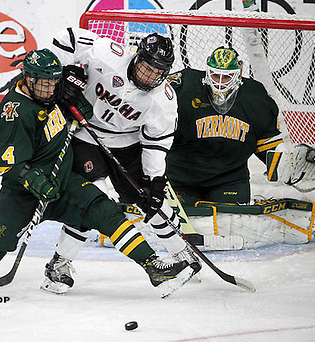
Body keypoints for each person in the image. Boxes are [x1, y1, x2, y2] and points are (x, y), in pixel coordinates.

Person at [0, 49, 194, 297]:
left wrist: (74, 100)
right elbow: (9, 167)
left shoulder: (51, 94)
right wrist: (37, 182)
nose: (49, 89)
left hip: (61, 184)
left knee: (105, 211)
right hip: (22, 196)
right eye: (43, 84)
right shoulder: (15, 113)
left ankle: (153, 264)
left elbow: (75, 108)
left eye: (53, 83)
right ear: (27, 80)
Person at [41, 28, 202, 294]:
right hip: (85, 135)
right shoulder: (107, 54)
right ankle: (60, 264)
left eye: (157, 72)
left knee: (151, 199)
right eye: (146, 67)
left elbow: (156, 143)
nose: (149, 76)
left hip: (128, 145)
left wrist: (155, 178)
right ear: (136, 57)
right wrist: (66, 72)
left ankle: (183, 253)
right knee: (93, 199)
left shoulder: (164, 100)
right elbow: (66, 38)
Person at [165, 46, 315, 248]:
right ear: (207, 71)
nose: (220, 83)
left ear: (239, 73)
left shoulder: (255, 97)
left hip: (228, 180)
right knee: (176, 223)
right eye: (215, 75)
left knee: (231, 226)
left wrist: (284, 164)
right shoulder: (183, 87)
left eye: (227, 77)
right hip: (181, 178)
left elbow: (266, 142)